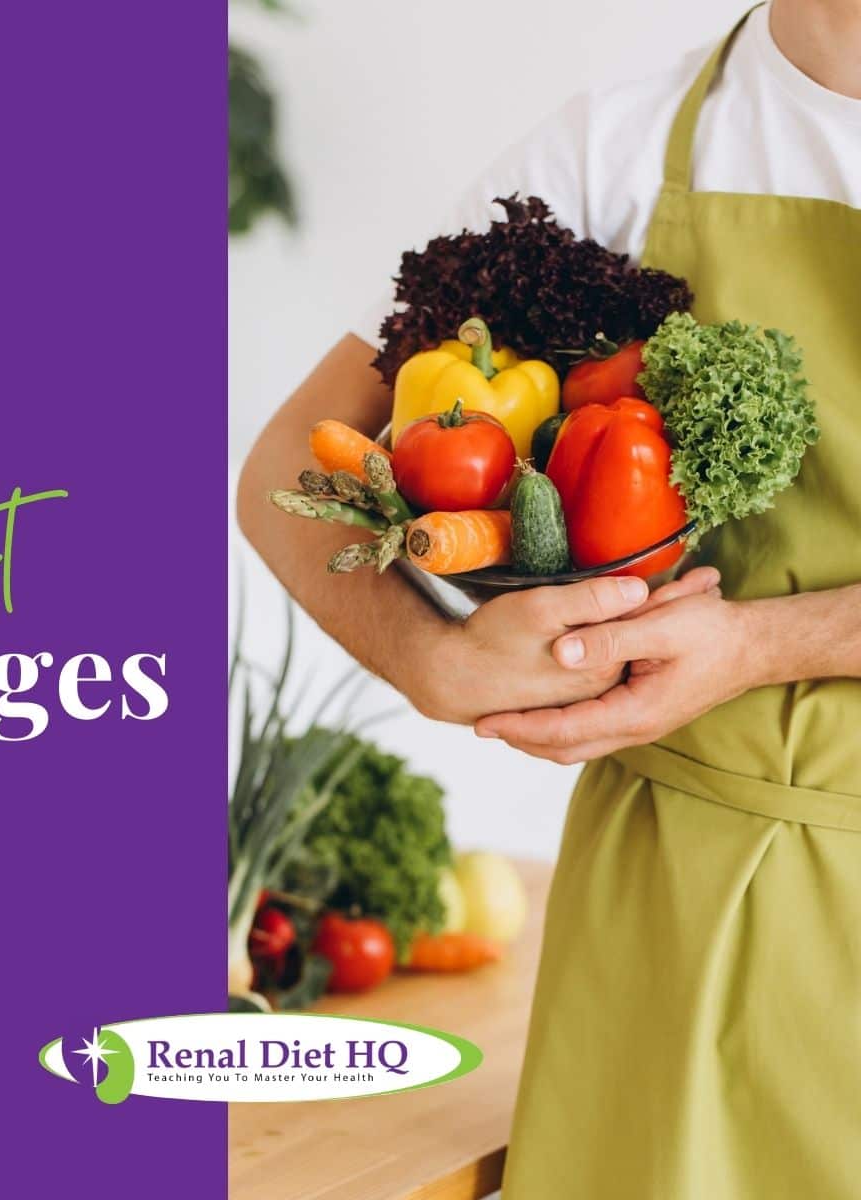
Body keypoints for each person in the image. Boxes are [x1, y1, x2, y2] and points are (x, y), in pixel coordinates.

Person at [236, 2, 861, 1196]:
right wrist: (431, 659)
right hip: (668, 904)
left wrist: (760, 644)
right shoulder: (616, 152)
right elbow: (284, 475)